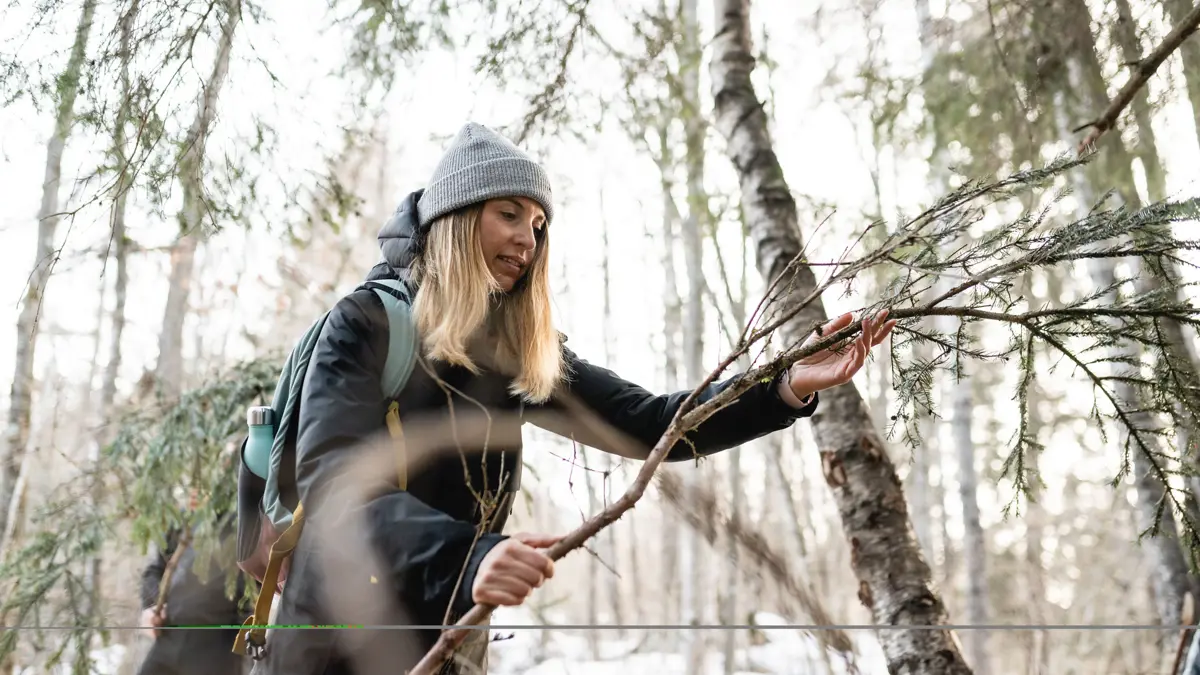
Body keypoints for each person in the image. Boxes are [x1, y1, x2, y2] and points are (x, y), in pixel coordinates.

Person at [250, 122, 895, 675]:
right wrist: (468, 557)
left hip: (443, 644)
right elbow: (335, 483)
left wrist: (780, 387)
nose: (528, 240)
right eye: (508, 214)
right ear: (454, 217)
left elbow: (649, 425)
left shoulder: (514, 356)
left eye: (538, 224)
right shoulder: (367, 323)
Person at [137, 510, 252, 675]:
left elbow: (256, 595)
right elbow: (155, 570)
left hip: (216, 651)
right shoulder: (185, 520)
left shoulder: (246, 524)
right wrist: (153, 605)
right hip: (167, 639)